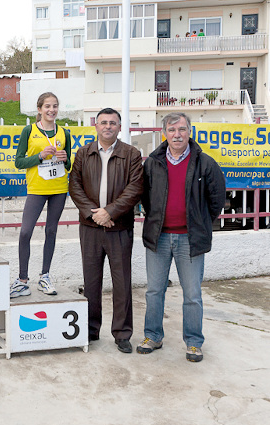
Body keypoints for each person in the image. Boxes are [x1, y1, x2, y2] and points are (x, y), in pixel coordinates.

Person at [137, 113, 225, 362]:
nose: (177, 134)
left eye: (182, 129)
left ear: (190, 132)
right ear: (164, 132)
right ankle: (153, 336)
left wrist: (200, 223)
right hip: (159, 238)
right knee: (154, 291)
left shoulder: (205, 163)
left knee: (192, 294)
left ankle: (194, 342)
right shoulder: (153, 162)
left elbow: (216, 198)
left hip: (190, 239)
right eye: (172, 129)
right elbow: (145, 197)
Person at [68, 108, 143, 353]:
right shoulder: (83, 153)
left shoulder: (131, 154)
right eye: (103, 123)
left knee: (122, 282)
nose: (108, 126)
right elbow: (75, 186)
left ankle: (122, 333)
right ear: (96, 126)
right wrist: (95, 213)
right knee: (91, 282)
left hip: (119, 228)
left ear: (119, 127)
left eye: (113, 123)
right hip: (90, 227)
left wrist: (109, 212)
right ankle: (90, 330)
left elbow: (135, 189)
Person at [11, 92, 72, 298]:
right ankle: (22, 280)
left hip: (59, 188)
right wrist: (39, 156)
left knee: (51, 231)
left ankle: (45, 276)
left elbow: (70, 164)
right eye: (47, 106)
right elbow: (19, 162)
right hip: (37, 188)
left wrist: (65, 159)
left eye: (55, 106)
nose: (51, 110)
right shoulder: (29, 130)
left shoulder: (64, 132)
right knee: (25, 232)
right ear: (39, 109)